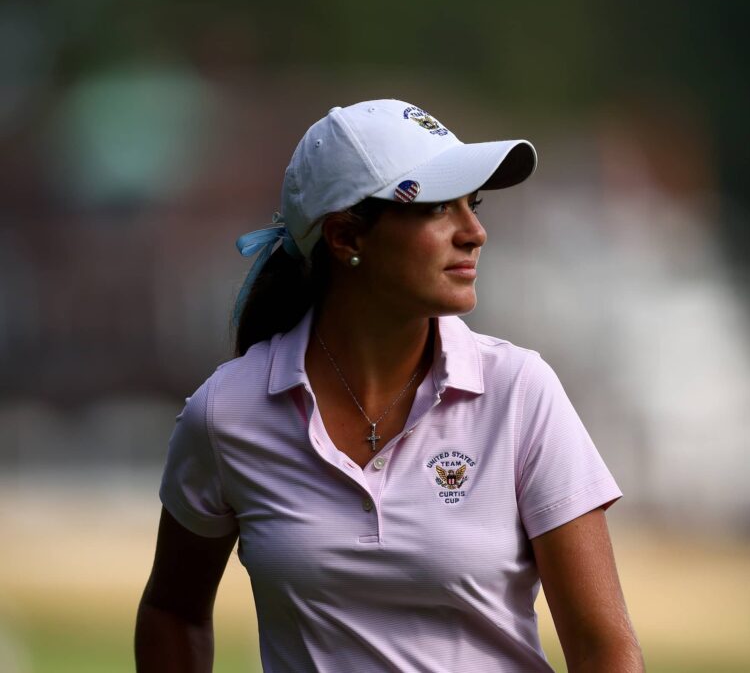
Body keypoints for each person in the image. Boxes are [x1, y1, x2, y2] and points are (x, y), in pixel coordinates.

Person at [135, 99, 643, 672]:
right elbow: (171, 612)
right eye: (438, 210)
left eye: (470, 206)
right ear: (347, 237)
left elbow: (604, 648)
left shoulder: (520, 392)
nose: (474, 232)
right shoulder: (226, 412)